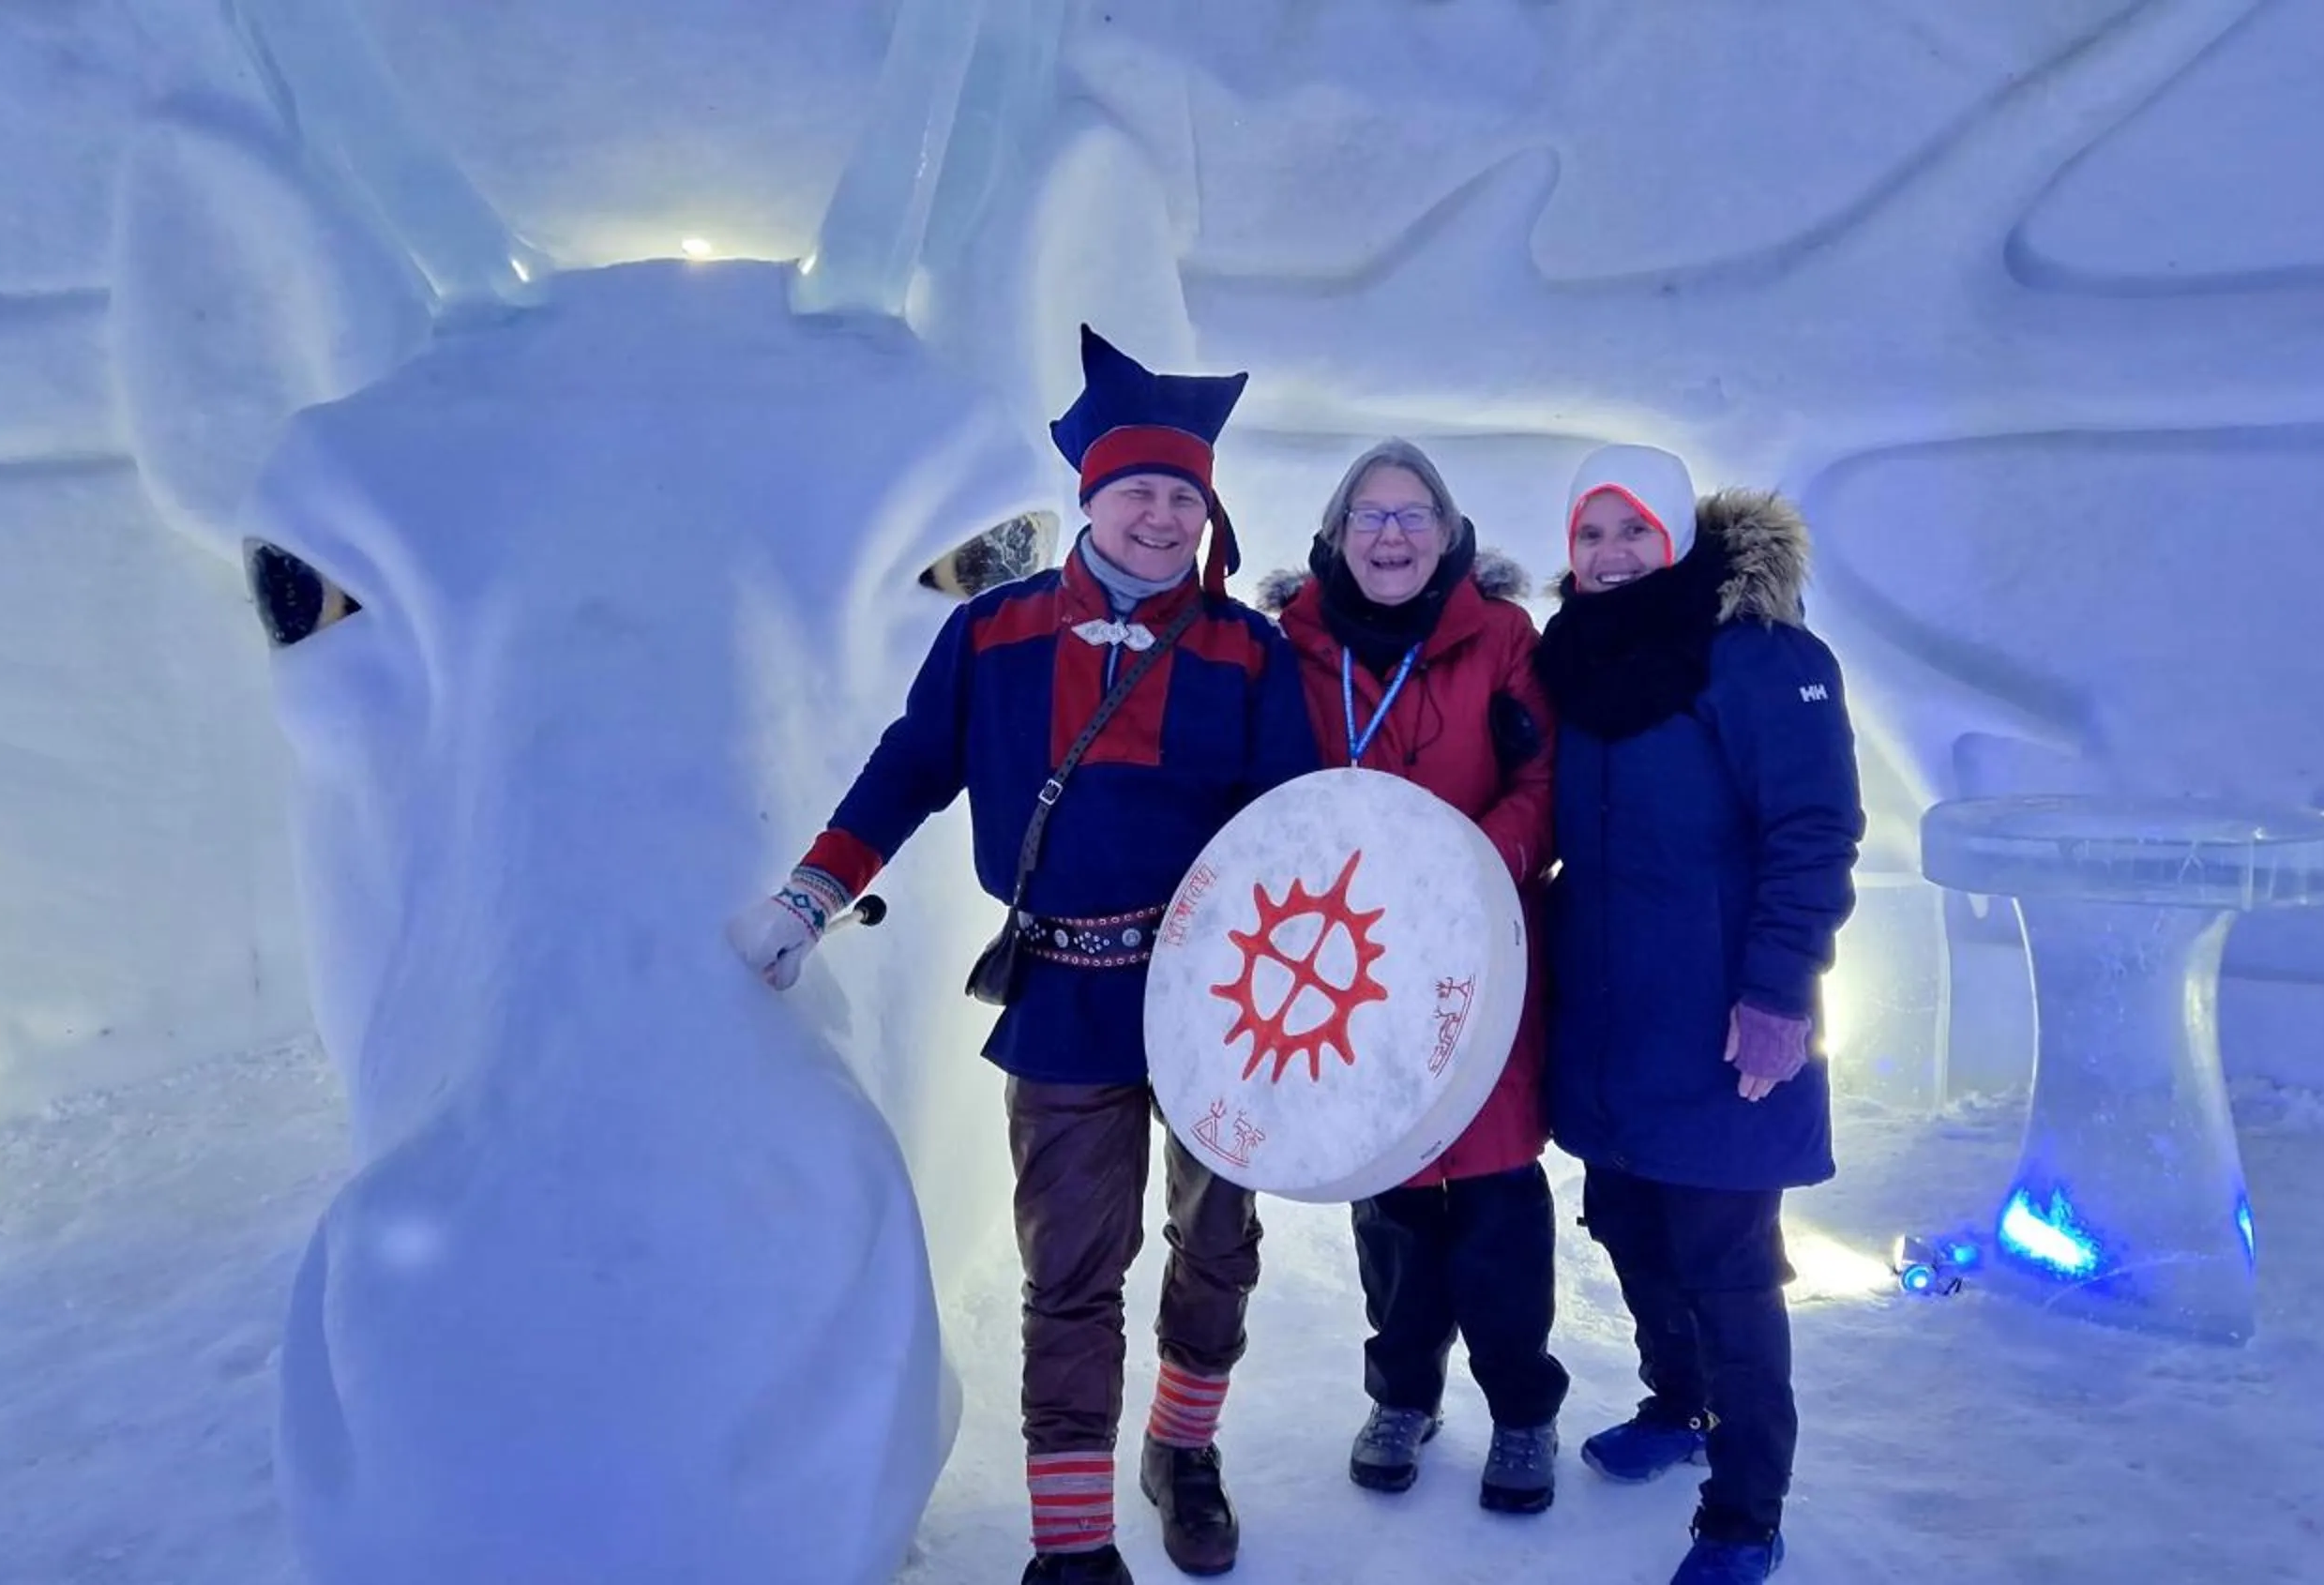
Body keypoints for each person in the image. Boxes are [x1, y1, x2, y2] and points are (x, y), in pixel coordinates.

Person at [729, 326, 1322, 1585]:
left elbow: (1297, 829)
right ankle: (1072, 1539)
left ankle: (1184, 1449)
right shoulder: (993, 635)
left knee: (1218, 1243)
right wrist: (811, 893)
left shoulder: (1246, 649)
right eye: (1137, 491)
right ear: (1089, 501)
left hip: (1217, 999)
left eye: (1182, 495)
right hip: (1061, 995)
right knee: (1071, 1268)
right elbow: (908, 772)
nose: (1161, 517)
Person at [1532, 444, 1864, 1585]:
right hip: (1613, 1022)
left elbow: (1813, 830)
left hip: (1725, 1026)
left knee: (1727, 1263)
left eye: (1633, 530)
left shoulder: (1764, 658)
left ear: (1677, 535)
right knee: (1627, 1223)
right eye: (1590, 533)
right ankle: (1676, 1405)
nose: (1612, 555)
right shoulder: (1572, 657)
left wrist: (1779, 994)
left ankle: (1743, 1509)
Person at [1254, 439, 1571, 1515]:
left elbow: (1541, 774)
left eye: (1412, 515)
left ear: (1448, 534)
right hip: (1349, 963)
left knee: (1490, 1191)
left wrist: (1481, 868)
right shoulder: (1286, 648)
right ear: (1336, 538)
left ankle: (1522, 1410)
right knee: (1389, 1187)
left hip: (1478, 954)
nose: (1390, 535)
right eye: (1369, 516)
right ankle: (1403, 1393)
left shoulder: (1502, 640)